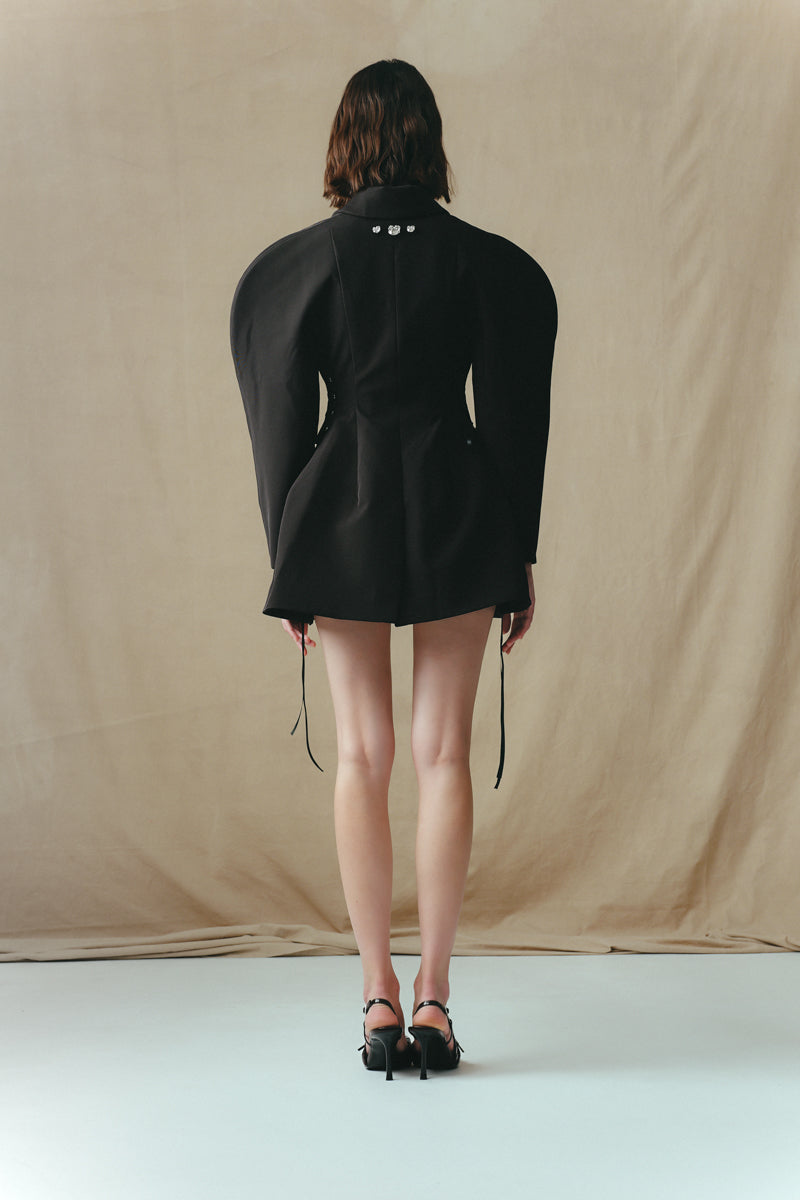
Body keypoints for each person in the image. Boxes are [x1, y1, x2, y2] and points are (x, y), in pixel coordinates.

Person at [230, 59, 557, 1080]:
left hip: (340, 514)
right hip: (459, 500)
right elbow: (513, 412)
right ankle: (435, 1001)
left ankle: (376, 998)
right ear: (428, 141)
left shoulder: (301, 264)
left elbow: (279, 415)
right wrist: (518, 551)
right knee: (442, 755)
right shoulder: (482, 262)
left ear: (346, 142)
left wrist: (288, 552)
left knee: (363, 755)